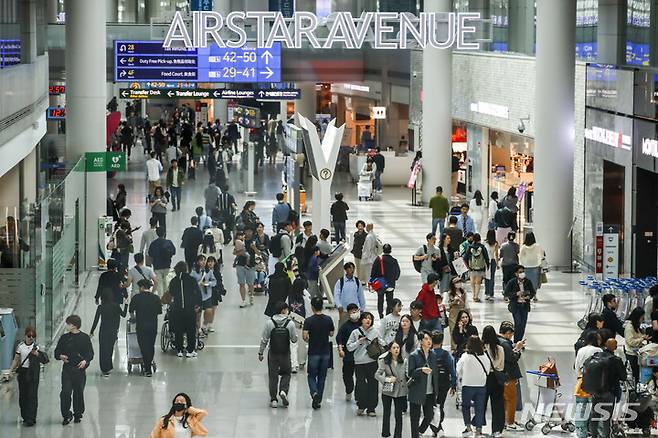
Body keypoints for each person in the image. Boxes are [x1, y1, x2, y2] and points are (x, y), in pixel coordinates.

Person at [54, 315, 94, 425]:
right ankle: (66, 414)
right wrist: (61, 356)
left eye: (68, 324)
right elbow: (57, 353)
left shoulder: (85, 338)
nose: (66, 325)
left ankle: (78, 414)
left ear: (74, 325)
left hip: (80, 370)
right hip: (67, 369)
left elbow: (90, 353)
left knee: (78, 392)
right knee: (65, 392)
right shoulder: (64, 338)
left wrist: (85, 361)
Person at [258, 301, 297, 408]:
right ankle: (283, 391)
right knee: (286, 373)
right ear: (283, 310)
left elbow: (264, 339)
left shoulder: (269, 323)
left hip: (273, 353)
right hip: (285, 353)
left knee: (273, 376)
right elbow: (294, 339)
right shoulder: (290, 323)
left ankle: (273, 399)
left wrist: (261, 352)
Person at [588, 339, 627, 438]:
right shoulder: (616, 360)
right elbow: (624, 377)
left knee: (595, 416)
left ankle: (594, 436)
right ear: (615, 347)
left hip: (596, 392)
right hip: (610, 392)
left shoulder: (595, 357)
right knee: (606, 419)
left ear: (605, 345)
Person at [11, 326, 49, 427]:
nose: (31, 338)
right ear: (25, 336)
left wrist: (37, 354)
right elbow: (16, 359)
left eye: (33, 336)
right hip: (23, 372)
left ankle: (31, 417)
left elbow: (44, 360)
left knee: (32, 395)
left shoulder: (37, 347)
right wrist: (11, 370)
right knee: (23, 395)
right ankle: (25, 415)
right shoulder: (20, 346)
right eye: (29, 336)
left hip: (33, 372)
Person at [347, 311, 382, 416]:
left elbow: (382, 343)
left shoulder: (375, 332)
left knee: (373, 384)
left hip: (372, 362)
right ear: (361, 320)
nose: (368, 320)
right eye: (366, 318)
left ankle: (371, 408)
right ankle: (361, 405)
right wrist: (358, 342)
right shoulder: (355, 332)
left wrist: (378, 343)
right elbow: (349, 347)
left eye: (370, 318)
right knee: (360, 384)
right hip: (359, 363)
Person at [303, 297, 335, 409]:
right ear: (322, 306)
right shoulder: (328, 319)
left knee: (311, 375)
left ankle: (314, 393)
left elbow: (305, 336)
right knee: (322, 377)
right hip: (325, 352)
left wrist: (310, 338)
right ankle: (319, 399)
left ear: (312, 307)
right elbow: (331, 333)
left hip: (313, 352)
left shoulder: (308, 321)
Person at [407, 330, 440, 438]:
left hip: (430, 392)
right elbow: (410, 373)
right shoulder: (413, 355)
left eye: (430, 339)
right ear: (421, 341)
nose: (429, 341)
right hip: (417, 391)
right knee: (414, 419)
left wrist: (437, 390)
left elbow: (435, 374)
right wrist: (421, 370)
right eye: (426, 339)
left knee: (429, 415)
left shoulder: (433, 355)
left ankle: (420, 431)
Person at [456, 336, 490, 437]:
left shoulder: (465, 356)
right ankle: (478, 430)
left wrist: (461, 377)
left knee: (466, 407)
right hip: (481, 385)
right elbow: (488, 370)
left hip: (468, 385)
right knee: (479, 408)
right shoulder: (484, 356)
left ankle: (468, 427)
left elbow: (458, 370)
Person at [168, 261, 202, 358]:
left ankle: (179, 349)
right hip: (189, 309)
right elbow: (198, 293)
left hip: (177, 308)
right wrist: (198, 305)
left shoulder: (174, 281)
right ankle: (190, 350)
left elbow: (171, 293)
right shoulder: (192, 280)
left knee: (178, 329)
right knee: (191, 329)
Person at [89, 290, 128, 377]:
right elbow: (124, 315)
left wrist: (92, 331)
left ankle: (104, 369)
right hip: (113, 331)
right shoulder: (116, 306)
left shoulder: (101, 307)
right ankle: (109, 366)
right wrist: (126, 304)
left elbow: (96, 320)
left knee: (103, 349)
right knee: (110, 349)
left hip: (103, 330)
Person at [129, 279, 162, 377]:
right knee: (150, 345)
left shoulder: (136, 298)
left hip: (141, 326)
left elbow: (131, 311)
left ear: (142, 287)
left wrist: (133, 318)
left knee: (143, 346)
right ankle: (148, 365)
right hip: (153, 326)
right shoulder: (156, 298)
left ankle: (147, 368)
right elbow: (159, 311)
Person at [376, 340, 409, 438]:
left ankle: (398, 435)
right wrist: (387, 379)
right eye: (394, 348)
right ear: (390, 350)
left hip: (401, 391)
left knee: (399, 415)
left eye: (398, 348)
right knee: (386, 413)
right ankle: (385, 433)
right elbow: (377, 375)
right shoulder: (384, 361)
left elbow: (407, 374)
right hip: (388, 389)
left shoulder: (404, 360)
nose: (396, 350)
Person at [498, 321, 526, 432]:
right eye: (511, 334)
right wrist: (517, 349)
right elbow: (512, 358)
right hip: (509, 375)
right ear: (508, 333)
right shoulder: (505, 343)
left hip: (503, 375)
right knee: (511, 399)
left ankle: (506, 420)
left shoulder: (499, 341)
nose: (511, 336)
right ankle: (510, 422)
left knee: (506, 399)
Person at [429, 331, 457, 438]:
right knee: (440, 405)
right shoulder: (447, 355)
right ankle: (438, 428)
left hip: (431, 384)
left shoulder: (429, 354)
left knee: (432, 406)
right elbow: (452, 371)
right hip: (444, 384)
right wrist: (453, 385)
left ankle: (437, 428)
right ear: (441, 341)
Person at [482, 325, 506, 437]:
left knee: (481, 404)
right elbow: (501, 365)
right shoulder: (500, 349)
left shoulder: (481, 349)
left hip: (485, 378)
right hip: (497, 378)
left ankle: (478, 427)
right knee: (498, 405)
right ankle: (497, 429)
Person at [336, 303, 362, 401]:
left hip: (361, 356)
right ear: (349, 313)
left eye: (356, 310)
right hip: (349, 356)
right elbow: (339, 338)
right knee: (347, 375)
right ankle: (349, 389)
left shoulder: (362, 324)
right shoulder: (345, 326)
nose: (355, 312)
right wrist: (340, 349)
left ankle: (359, 395)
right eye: (352, 311)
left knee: (360, 377)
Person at [503, 265, 535, 343]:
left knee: (523, 325)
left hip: (525, 305)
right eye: (520, 272)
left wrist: (529, 297)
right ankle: (516, 341)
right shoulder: (512, 282)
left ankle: (519, 341)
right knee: (518, 323)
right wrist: (516, 294)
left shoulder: (528, 281)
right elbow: (506, 293)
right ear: (516, 273)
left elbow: (533, 292)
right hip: (515, 306)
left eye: (523, 272)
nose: (522, 273)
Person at [370, 243, 401, 319]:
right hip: (390, 284)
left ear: (383, 250)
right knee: (390, 301)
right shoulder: (394, 261)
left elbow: (373, 272)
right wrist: (394, 279)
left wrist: (374, 280)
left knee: (380, 300)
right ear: (390, 251)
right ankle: (388, 315)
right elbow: (398, 272)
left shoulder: (378, 259)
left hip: (380, 284)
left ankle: (381, 315)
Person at [190, 254, 217, 337]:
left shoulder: (209, 271)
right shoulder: (194, 272)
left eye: (204, 260)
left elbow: (214, 281)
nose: (204, 262)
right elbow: (190, 283)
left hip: (207, 295)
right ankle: (197, 329)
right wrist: (198, 284)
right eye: (201, 260)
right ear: (198, 262)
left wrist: (208, 284)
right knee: (198, 314)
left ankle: (204, 325)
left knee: (209, 311)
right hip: (197, 296)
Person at [334, 262, 365, 327]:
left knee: (355, 328)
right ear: (346, 270)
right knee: (343, 327)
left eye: (353, 268)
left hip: (355, 311)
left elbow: (360, 295)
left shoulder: (357, 281)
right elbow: (336, 295)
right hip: (344, 310)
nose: (352, 270)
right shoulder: (340, 282)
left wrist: (362, 308)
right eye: (350, 268)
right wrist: (339, 305)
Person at [148, 227, 176, 297]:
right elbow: (174, 252)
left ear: (157, 233)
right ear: (164, 233)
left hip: (157, 266)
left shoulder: (153, 243)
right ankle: (167, 298)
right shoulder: (168, 242)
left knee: (159, 284)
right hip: (167, 265)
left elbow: (150, 254)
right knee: (166, 283)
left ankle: (161, 300)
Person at [625, 307, 649, 385]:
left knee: (637, 373)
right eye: (642, 318)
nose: (642, 319)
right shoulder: (629, 327)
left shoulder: (636, 326)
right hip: (631, 353)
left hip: (637, 352)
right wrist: (642, 338)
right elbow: (631, 342)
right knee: (634, 374)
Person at [463, 233, 490, 303]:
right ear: (480, 239)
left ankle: (473, 295)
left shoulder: (470, 247)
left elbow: (465, 257)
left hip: (472, 267)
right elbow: (486, 257)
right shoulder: (482, 247)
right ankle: (476, 296)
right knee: (478, 282)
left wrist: (467, 266)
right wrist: (487, 265)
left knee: (472, 282)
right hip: (480, 268)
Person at [233, 230, 256, 308]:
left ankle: (251, 296)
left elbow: (259, 253)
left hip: (251, 266)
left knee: (250, 283)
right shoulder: (239, 242)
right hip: (240, 265)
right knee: (241, 283)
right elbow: (235, 252)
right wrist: (241, 252)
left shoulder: (254, 241)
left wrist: (254, 248)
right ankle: (243, 300)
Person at [447, 278, 469, 346]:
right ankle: (454, 348)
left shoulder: (463, 292)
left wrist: (469, 313)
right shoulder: (449, 293)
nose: (459, 283)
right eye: (457, 282)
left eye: (460, 282)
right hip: (453, 315)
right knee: (454, 331)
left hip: (462, 314)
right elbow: (447, 306)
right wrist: (454, 302)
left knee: (464, 330)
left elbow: (467, 304)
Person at [483, 230, 500, 302]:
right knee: (492, 277)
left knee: (487, 277)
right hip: (493, 261)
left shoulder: (484, 242)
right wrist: (497, 264)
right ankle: (491, 293)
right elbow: (496, 254)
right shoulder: (496, 243)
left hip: (486, 261)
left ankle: (487, 293)